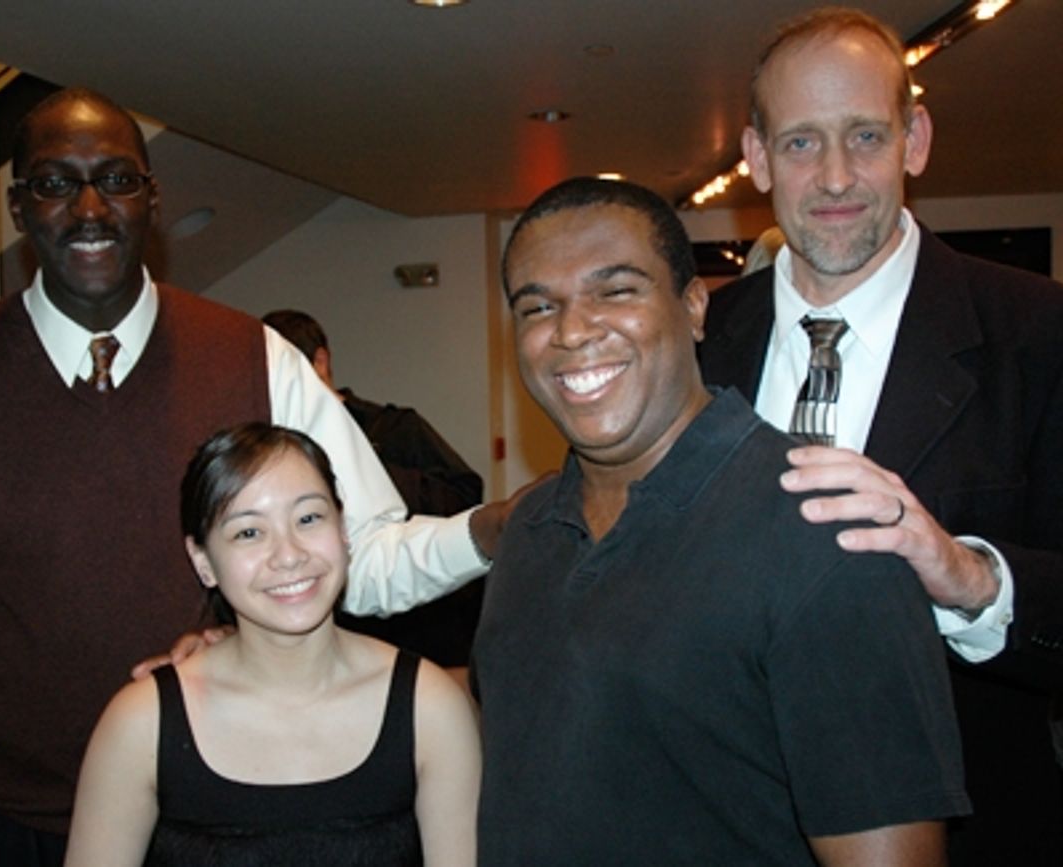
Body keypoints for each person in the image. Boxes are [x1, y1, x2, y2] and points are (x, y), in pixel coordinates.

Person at [0, 87, 500, 867]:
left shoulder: (253, 357)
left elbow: (354, 558)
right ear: (19, 205)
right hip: (23, 824)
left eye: (118, 180)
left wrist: (490, 531)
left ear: (152, 199)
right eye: (56, 183)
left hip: (219, 816)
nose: (90, 207)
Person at [471, 176, 969, 865]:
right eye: (538, 306)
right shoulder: (528, 532)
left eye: (616, 291)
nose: (573, 329)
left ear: (695, 305)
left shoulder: (826, 534)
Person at [700, 8, 1063, 865]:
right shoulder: (697, 346)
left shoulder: (1038, 334)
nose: (835, 177)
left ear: (916, 138)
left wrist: (968, 576)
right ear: (753, 158)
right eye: (799, 143)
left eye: (865, 134)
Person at [64, 423, 480, 866]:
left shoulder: (429, 708)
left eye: (308, 518)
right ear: (203, 561)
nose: (288, 554)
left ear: (343, 530)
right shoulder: (141, 723)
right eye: (248, 532)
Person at [263, 308, 484, 667]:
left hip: (423, 630)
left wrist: (363, 473)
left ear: (320, 363)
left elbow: (463, 495)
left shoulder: (398, 427)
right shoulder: (267, 455)